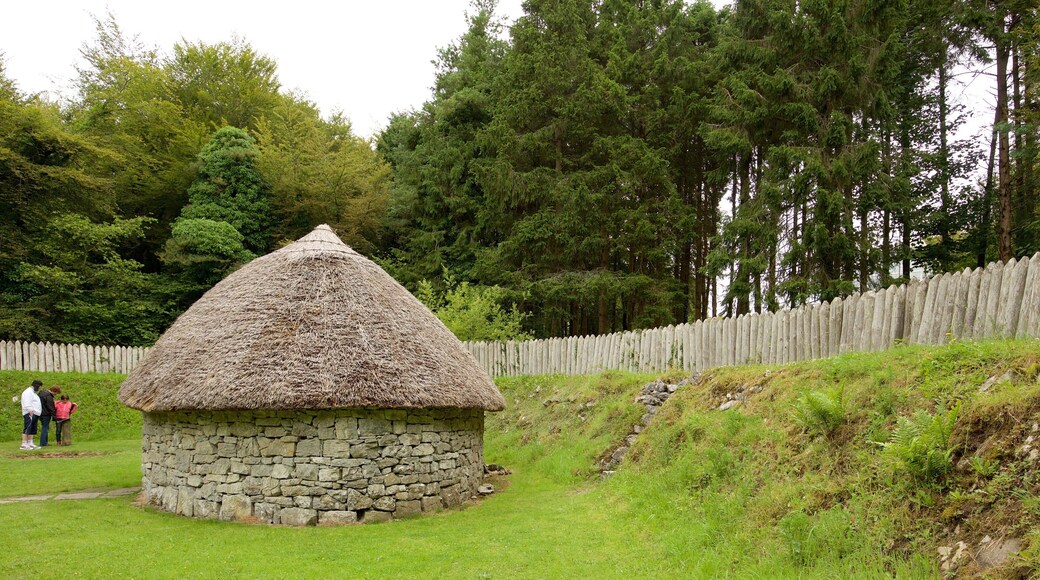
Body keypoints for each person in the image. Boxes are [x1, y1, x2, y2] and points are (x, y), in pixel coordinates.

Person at [20, 379, 42, 450]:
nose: (39, 389)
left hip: (35, 413)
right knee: (28, 427)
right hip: (30, 413)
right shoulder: (28, 392)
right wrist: (30, 410)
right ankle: (24, 443)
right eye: (39, 387)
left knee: (32, 428)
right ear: (36, 386)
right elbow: (27, 402)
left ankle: (30, 442)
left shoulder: (32, 392)